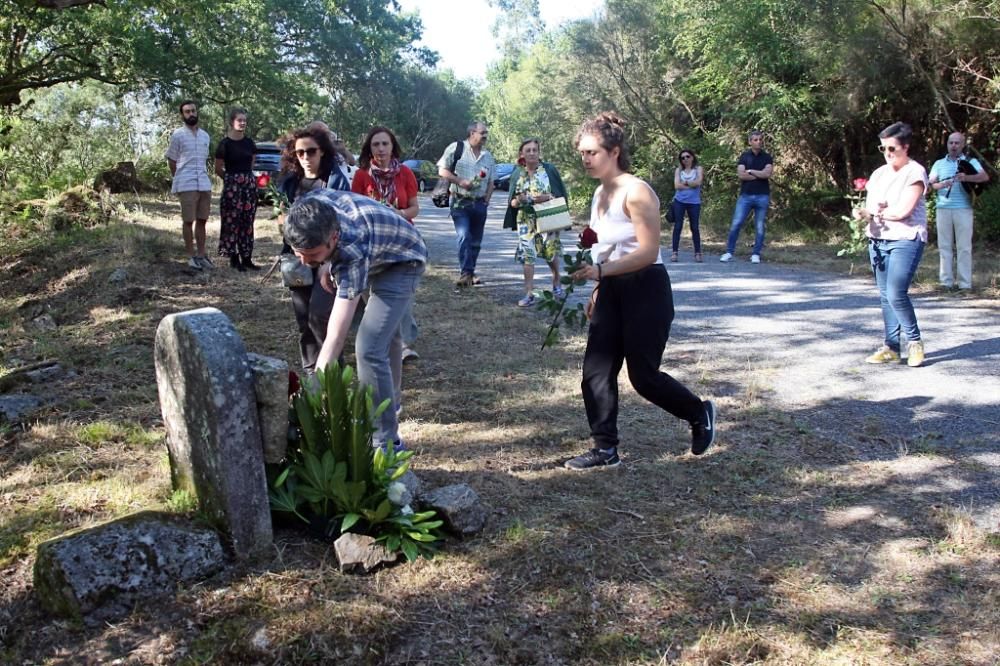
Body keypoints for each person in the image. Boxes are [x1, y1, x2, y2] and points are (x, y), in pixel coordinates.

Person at [563, 112, 716, 471]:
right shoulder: (600, 193)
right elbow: (608, 249)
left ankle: (698, 411)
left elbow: (647, 252)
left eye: (592, 152)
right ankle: (605, 449)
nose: (585, 159)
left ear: (614, 151)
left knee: (643, 376)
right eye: (582, 153)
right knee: (595, 372)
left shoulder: (637, 191)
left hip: (646, 287)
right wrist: (599, 287)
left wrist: (601, 272)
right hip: (612, 286)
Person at [283, 189, 427, 451]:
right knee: (387, 333)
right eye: (298, 252)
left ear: (333, 238)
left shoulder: (353, 248)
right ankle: (389, 405)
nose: (304, 262)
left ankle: (386, 442)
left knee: (369, 347)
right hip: (376, 246)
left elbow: (336, 336)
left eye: (312, 255)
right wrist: (325, 262)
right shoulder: (305, 210)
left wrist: (315, 385)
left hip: (403, 258)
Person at [854, 121, 929, 368]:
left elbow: (904, 211)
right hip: (878, 239)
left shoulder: (915, 172)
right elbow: (874, 206)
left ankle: (915, 343)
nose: (887, 154)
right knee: (886, 295)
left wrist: (877, 215)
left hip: (905, 238)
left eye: (892, 149)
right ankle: (891, 346)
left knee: (897, 292)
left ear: (905, 147)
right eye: (883, 148)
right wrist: (862, 213)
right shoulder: (879, 174)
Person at [352, 125, 421, 371]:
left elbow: (414, 208)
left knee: (400, 294)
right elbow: (355, 209)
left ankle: (404, 345)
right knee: (372, 293)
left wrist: (397, 214)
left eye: (385, 144)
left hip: (402, 243)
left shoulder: (405, 173)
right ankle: (379, 337)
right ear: (369, 149)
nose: (381, 149)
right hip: (371, 243)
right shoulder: (362, 175)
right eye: (375, 145)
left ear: (393, 147)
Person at [276, 125, 342, 373]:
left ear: (322, 152)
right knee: (304, 319)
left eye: (311, 151)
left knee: (321, 315)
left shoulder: (334, 180)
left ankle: (332, 371)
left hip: (328, 258)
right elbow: (282, 219)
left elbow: (341, 224)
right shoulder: (288, 183)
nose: (306, 157)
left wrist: (329, 263)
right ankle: (311, 371)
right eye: (300, 152)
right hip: (297, 259)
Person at [502, 137, 569, 307]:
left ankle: (556, 281)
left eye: (535, 150)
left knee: (550, 254)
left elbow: (559, 194)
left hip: (548, 217)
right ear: (522, 154)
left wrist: (546, 198)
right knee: (527, 256)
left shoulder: (549, 170)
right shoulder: (518, 173)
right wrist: (521, 200)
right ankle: (529, 293)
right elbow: (512, 203)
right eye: (528, 150)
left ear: (539, 152)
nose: (532, 153)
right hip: (526, 220)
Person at [437, 121, 496, 287]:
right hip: (459, 202)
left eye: (486, 133)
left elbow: (492, 181)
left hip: (479, 204)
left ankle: (470, 272)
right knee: (464, 236)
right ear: (472, 133)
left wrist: (487, 199)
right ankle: (466, 273)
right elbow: (442, 170)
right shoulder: (456, 148)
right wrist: (460, 181)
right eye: (482, 132)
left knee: (476, 241)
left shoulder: (488, 156)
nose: (485, 136)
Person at [928, 131, 990, 290]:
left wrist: (966, 178)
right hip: (943, 208)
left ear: (962, 145)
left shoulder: (971, 161)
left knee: (964, 247)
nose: (954, 146)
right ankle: (946, 283)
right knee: (944, 247)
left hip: (963, 208)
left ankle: (965, 284)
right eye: (951, 143)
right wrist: (941, 185)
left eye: (957, 143)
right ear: (947, 144)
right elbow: (930, 184)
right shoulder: (939, 164)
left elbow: (984, 177)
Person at [165, 100, 213, 270]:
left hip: (204, 182)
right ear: (182, 115)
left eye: (193, 110)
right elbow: (172, 160)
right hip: (186, 183)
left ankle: (201, 255)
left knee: (202, 220)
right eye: (187, 112)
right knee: (188, 220)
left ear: (197, 112)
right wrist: (178, 177)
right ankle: (190, 256)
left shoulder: (205, 136)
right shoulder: (178, 135)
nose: (191, 114)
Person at [214, 107, 259, 272]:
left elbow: (252, 162)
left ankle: (247, 258)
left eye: (244, 120)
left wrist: (246, 178)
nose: (242, 123)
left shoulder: (249, 143)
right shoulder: (224, 144)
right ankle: (234, 259)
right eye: (239, 120)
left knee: (247, 222)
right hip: (232, 186)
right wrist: (231, 179)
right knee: (232, 222)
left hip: (248, 185)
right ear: (232, 122)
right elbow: (218, 168)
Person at [720, 130, 773, 264]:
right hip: (746, 196)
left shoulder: (767, 157)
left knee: (760, 226)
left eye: (760, 139)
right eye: (755, 139)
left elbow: (767, 174)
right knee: (736, 224)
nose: (758, 142)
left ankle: (756, 254)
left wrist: (751, 171)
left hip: (762, 196)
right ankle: (729, 252)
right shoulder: (744, 156)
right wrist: (758, 174)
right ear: (750, 142)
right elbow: (741, 175)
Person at [670, 149, 704, 263]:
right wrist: (691, 184)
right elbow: (676, 186)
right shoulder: (678, 171)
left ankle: (698, 253)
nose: (685, 159)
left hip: (694, 202)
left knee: (694, 227)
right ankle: (674, 252)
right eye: (683, 158)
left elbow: (698, 182)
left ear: (692, 157)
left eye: (687, 156)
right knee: (678, 226)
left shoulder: (698, 169)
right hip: (679, 201)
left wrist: (684, 183)